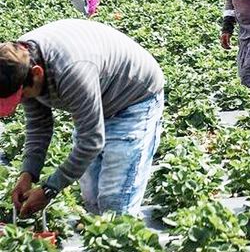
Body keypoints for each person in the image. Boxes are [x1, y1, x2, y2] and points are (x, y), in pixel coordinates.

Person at [1, 19, 165, 217]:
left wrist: (48, 190)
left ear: (37, 74)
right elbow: (38, 125)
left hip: (134, 98)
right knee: (91, 195)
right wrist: (27, 174)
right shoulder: (16, 65)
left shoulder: (71, 70)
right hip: (95, 98)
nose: (23, 101)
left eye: (23, 96)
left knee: (115, 200)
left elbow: (90, 141)